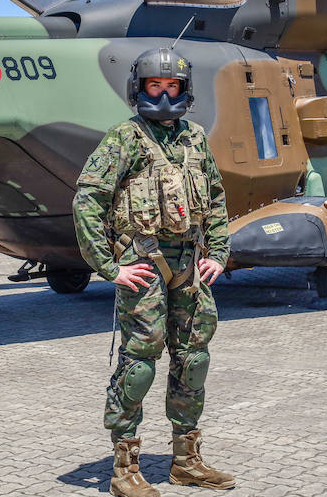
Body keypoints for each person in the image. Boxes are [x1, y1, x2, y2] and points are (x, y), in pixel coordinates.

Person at [73, 48, 234, 497]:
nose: (164, 95)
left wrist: (219, 253)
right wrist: (109, 267)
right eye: (154, 86)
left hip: (190, 264)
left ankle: (186, 461)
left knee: (194, 359)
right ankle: (124, 468)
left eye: (172, 86)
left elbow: (216, 197)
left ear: (185, 89)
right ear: (139, 88)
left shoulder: (194, 138)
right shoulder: (124, 138)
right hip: (144, 264)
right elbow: (87, 200)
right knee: (140, 363)